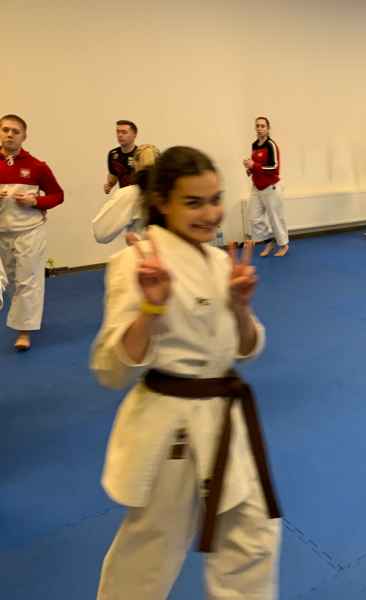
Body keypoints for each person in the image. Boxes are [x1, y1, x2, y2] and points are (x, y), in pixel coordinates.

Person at [91, 146, 282, 600]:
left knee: (253, 536)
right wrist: (152, 307)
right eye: (193, 203)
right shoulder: (137, 262)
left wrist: (240, 307)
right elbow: (110, 369)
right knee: (151, 551)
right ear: (162, 202)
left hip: (224, 420)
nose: (211, 214)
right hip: (170, 429)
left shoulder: (218, 261)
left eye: (215, 200)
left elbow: (246, 348)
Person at [0, 114, 64, 352]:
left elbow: (57, 195)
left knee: (28, 280)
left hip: (29, 230)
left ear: (24, 136)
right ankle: (23, 317)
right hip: (1, 232)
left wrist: (35, 201)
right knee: (11, 280)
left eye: (15, 131)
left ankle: (24, 331)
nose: (10, 134)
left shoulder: (37, 166)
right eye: (5, 130)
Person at [93, 145, 160, 244]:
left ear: (134, 164)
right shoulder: (170, 193)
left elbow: (101, 233)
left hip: (144, 251)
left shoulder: (129, 195)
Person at [244, 117, 288, 257]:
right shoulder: (254, 145)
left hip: (271, 186)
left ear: (268, 128)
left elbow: (274, 168)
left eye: (263, 126)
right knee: (254, 217)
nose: (260, 128)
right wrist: (250, 169)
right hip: (257, 186)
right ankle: (268, 242)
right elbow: (257, 165)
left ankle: (284, 245)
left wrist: (254, 166)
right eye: (257, 126)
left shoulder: (271, 145)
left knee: (275, 218)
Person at [105, 120, 139, 194]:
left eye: (124, 132)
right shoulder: (113, 154)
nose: (120, 135)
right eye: (118, 132)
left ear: (134, 135)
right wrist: (109, 185)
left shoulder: (141, 154)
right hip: (123, 195)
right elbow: (113, 176)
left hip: (138, 196)